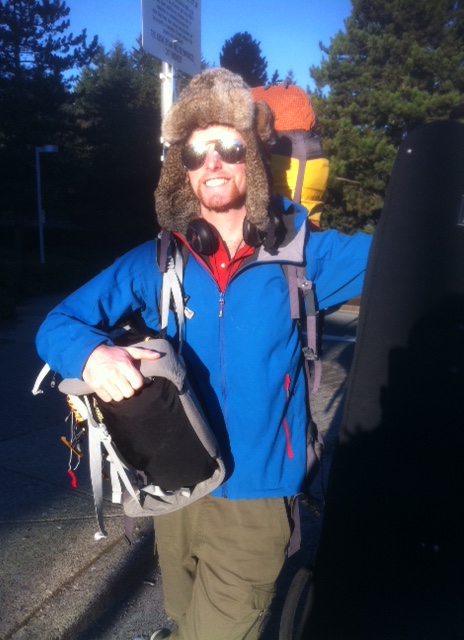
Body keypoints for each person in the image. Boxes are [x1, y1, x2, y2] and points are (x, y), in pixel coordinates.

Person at [35, 68, 371, 640]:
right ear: (182, 171)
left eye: (229, 147)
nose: (212, 162)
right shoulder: (158, 260)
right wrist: (92, 356)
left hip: (256, 497)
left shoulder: (304, 255)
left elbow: (415, 251)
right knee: (183, 617)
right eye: (195, 153)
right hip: (177, 485)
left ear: (253, 159)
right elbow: (56, 324)